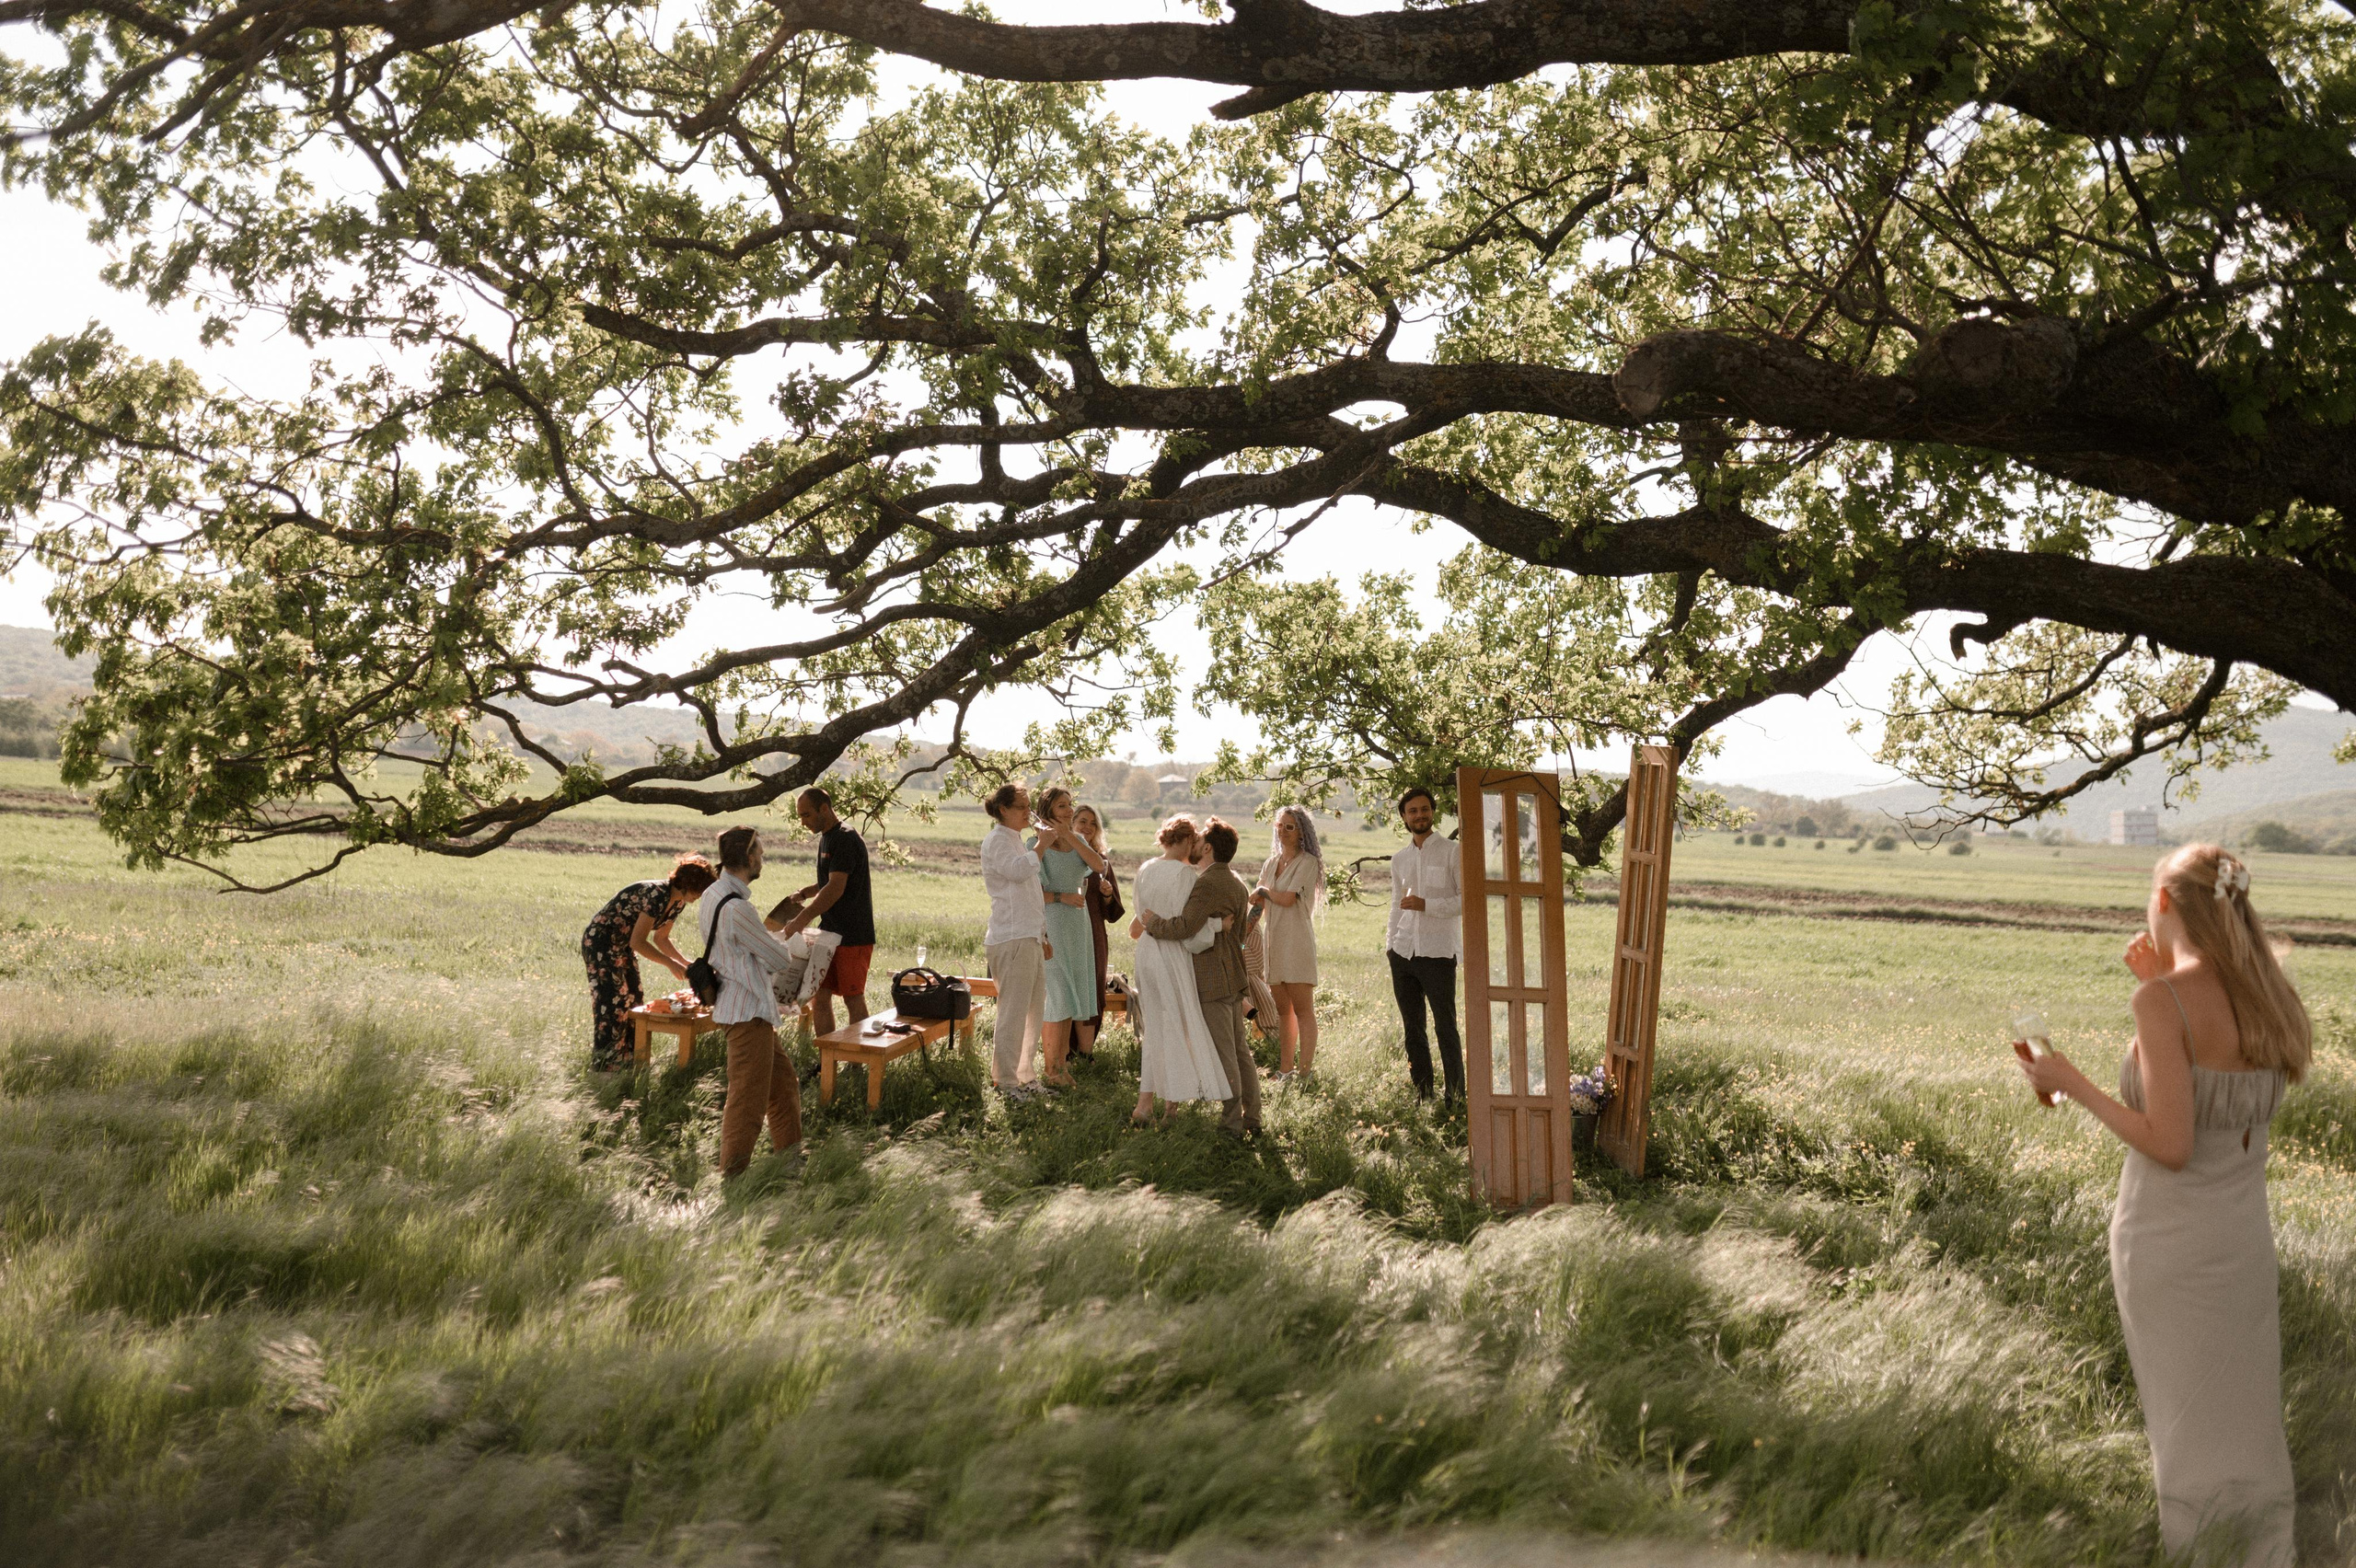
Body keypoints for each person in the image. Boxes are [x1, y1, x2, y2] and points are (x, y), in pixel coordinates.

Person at [2015, 844, 2310, 1567]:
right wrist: (2161, 981)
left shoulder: (2162, 1002)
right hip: (2241, 1240)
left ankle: (2202, 1553)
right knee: (2245, 1419)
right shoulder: (2268, 993)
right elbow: (2217, 1090)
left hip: (2168, 1238)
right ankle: (2263, 1553)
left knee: (2183, 1421)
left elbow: (2171, 1142)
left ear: (2167, 903)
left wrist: (2070, 1079)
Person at [1143, 817, 1261, 1138]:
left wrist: (1152, 924)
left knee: (1227, 1054)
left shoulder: (1208, 884)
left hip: (1214, 980)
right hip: (1234, 976)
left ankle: (1231, 1125)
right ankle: (1252, 1118)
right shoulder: (1236, 881)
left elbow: (1184, 927)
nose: (1194, 846)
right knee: (1239, 1051)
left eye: (1199, 842)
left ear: (1208, 848)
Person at [699, 827, 805, 1177]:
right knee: (746, 1102)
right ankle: (733, 1178)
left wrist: (764, 941)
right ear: (748, 858)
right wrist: (780, 940)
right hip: (747, 1013)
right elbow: (779, 960)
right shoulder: (739, 909)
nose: (763, 857)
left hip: (749, 1009)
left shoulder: (713, 893)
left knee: (784, 1088)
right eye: (760, 852)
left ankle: (789, 1163)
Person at [1125, 814, 1233, 1126]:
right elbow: (1190, 927)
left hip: (1146, 950)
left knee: (1157, 1025)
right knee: (1175, 1024)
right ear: (1186, 840)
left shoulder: (1146, 868)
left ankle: (1146, 1105)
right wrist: (1218, 925)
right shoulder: (1186, 875)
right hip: (1170, 952)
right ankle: (1169, 1107)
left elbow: (1142, 915)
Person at [580, 853, 717, 1070]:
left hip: (622, 945)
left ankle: (630, 1063)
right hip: (601, 943)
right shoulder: (656, 895)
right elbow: (638, 942)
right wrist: (671, 964)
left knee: (635, 1001)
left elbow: (661, 938)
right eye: (699, 890)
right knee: (612, 1003)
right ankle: (604, 1067)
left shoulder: (677, 902)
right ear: (687, 884)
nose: (700, 896)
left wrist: (686, 964)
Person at [768, 787, 874, 1038]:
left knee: (852, 997)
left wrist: (801, 919)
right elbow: (829, 881)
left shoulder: (845, 838)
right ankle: (827, 1059)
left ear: (824, 809)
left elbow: (837, 887)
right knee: (820, 996)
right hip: (829, 934)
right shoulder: (827, 837)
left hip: (853, 935)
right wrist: (805, 893)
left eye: (806, 815)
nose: (803, 822)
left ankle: (860, 1061)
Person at [1387, 786, 1465, 1106]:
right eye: (1412, 811)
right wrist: (1390, 944)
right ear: (1404, 818)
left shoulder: (1452, 851)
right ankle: (1423, 1094)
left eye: (1424, 809)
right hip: (1403, 953)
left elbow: (1465, 900)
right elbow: (1395, 904)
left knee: (1445, 1027)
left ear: (1433, 812)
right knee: (1413, 1029)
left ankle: (1456, 1097)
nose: (1419, 815)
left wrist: (1426, 904)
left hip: (1438, 953)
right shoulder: (1400, 859)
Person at [1034, 787, 1110, 1085]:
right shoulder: (1036, 843)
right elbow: (1031, 892)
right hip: (1052, 924)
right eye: (1062, 806)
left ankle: (1062, 1065)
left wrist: (1069, 838)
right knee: (1057, 996)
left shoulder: (1077, 841)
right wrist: (1061, 897)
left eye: (1069, 805)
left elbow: (1099, 866)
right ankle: (1050, 1070)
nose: (1068, 811)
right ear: (1048, 811)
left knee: (1070, 997)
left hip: (1078, 928)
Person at [980, 783, 1051, 1099]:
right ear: (1003, 810)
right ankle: (1005, 1082)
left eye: (1029, 805)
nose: (1028, 812)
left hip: (1028, 936)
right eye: (1022, 806)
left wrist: (1043, 934)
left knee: (1033, 1012)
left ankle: (1024, 1076)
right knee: (1013, 1013)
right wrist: (1042, 846)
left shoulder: (1016, 841)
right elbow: (1017, 873)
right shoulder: (997, 841)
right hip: (1010, 938)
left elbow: (1029, 895)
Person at [1252, 803, 1324, 1080]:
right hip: (1274, 944)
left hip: (1297, 943)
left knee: (1303, 1009)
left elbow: (1285, 897)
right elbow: (1260, 904)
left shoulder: (1308, 863)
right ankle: (1285, 1070)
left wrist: (1262, 891)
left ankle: (1304, 1073)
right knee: (1284, 1011)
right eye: (1279, 825)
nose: (1282, 831)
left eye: (1289, 827)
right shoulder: (1270, 864)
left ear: (1301, 833)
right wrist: (1245, 931)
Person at [1073, 802, 1125, 1053]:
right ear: (1071, 823)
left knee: (1093, 990)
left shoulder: (1101, 862)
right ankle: (1064, 1050)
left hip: (1094, 935)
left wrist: (1106, 895)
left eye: (1093, 823)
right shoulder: (1058, 854)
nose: (1088, 827)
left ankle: (1086, 1052)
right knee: (1068, 987)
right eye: (1082, 821)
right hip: (1066, 931)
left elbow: (1113, 912)